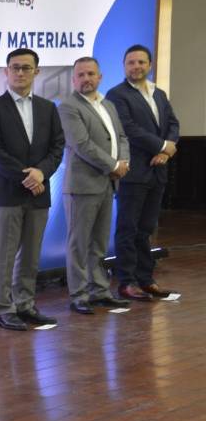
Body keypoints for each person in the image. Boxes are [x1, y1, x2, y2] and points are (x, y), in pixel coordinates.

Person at [0, 48, 65, 331]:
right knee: (3, 255)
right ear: (6, 72)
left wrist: (42, 173)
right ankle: (4, 308)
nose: (20, 72)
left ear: (36, 72)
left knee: (30, 254)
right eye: (14, 67)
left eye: (26, 68)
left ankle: (25, 305)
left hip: (40, 192)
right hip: (8, 192)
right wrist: (26, 176)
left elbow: (57, 146)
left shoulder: (48, 108)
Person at [105, 44, 180, 301]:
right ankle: (126, 282)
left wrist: (167, 151)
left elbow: (173, 124)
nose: (136, 66)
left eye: (141, 62)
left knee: (146, 229)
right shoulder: (117, 94)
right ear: (124, 66)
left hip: (158, 171)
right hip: (134, 172)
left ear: (150, 65)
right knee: (128, 229)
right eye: (131, 62)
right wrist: (161, 146)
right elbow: (129, 129)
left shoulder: (158, 93)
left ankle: (146, 280)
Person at [57, 57, 131, 315]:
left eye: (91, 74)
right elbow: (81, 144)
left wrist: (124, 162)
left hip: (107, 184)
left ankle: (99, 291)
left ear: (100, 77)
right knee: (79, 245)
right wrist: (113, 165)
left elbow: (121, 136)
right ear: (73, 80)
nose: (86, 79)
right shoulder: (68, 107)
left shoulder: (108, 104)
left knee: (99, 244)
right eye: (81, 75)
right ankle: (79, 295)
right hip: (82, 186)